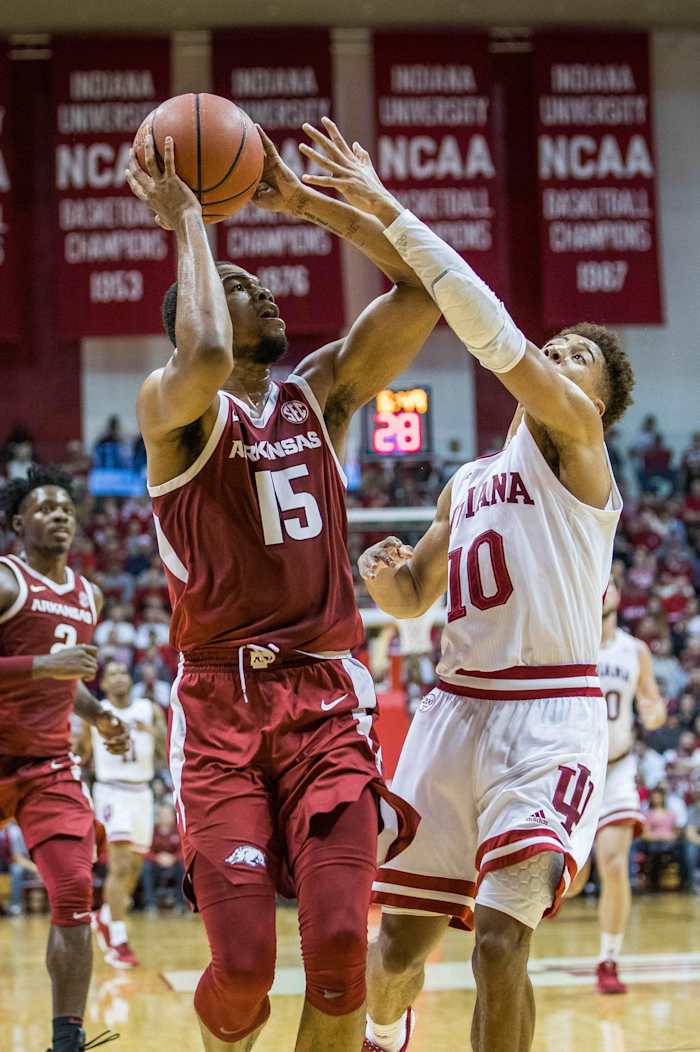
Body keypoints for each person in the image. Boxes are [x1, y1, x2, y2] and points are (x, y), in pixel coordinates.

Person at [304, 125, 634, 1052]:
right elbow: (415, 599)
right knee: (397, 947)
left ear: (598, 399)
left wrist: (381, 207)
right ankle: (387, 1030)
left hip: (548, 712)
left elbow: (485, 324)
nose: (559, 359)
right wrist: (394, 578)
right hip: (456, 710)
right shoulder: (466, 481)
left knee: (498, 941)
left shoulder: (577, 440)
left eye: (579, 358)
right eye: (557, 349)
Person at [124, 117, 439, 1052]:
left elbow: (423, 289)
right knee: (247, 972)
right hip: (220, 704)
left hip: (321, 700)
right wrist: (189, 221)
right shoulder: (170, 408)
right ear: (188, 315)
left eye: (258, 284)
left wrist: (310, 203)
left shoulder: (321, 393)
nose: (262, 291)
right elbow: (210, 358)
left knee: (343, 947)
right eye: (235, 288)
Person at [0, 465, 129, 1052]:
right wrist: (41, 667)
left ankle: (67, 1040)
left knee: (75, 890)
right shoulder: (5, 581)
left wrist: (99, 714)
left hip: (47, 765)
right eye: (45, 508)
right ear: (18, 523)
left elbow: (64, 683)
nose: (60, 516)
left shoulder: (88, 595)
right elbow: (46, 668)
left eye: (67, 509)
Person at [567, 578, 666, 993]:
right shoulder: (570, 641)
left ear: (618, 595)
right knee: (571, 879)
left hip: (619, 768)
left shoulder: (635, 650)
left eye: (607, 583)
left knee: (613, 863)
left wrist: (654, 710)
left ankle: (608, 960)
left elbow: (654, 706)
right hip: (574, 769)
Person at [76, 659, 166, 969]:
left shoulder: (148, 709)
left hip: (142, 792)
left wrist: (153, 732)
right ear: (102, 685)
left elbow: (168, 753)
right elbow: (82, 754)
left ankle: (104, 917)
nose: (117, 678)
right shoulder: (96, 713)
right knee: (121, 864)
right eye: (110, 675)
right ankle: (118, 939)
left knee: (134, 870)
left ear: (131, 678)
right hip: (111, 790)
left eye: (122, 673)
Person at [141, 803, 186, 912]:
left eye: (167, 814)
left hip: (174, 865)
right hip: (156, 865)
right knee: (145, 866)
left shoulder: (179, 830)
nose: (164, 816)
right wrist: (157, 858)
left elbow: (184, 850)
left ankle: (181, 903)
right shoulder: (152, 830)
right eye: (162, 814)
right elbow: (145, 850)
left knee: (183, 866)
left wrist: (173, 858)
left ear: (173, 816)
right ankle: (150, 903)